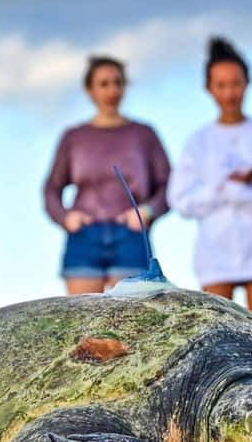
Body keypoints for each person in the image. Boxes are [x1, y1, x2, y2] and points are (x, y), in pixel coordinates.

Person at [168, 38, 252, 320]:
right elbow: (180, 199)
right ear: (209, 89)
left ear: (247, 83)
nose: (230, 93)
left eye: (236, 84)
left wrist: (247, 196)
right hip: (215, 254)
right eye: (221, 85)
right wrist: (221, 190)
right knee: (219, 333)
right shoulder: (199, 141)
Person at [43, 55, 170, 293]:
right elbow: (51, 188)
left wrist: (149, 211)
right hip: (84, 237)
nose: (112, 90)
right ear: (89, 90)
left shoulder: (144, 134)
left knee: (129, 324)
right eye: (104, 84)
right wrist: (64, 217)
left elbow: (168, 186)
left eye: (117, 82)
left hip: (131, 235)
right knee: (85, 323)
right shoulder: (74, 137)